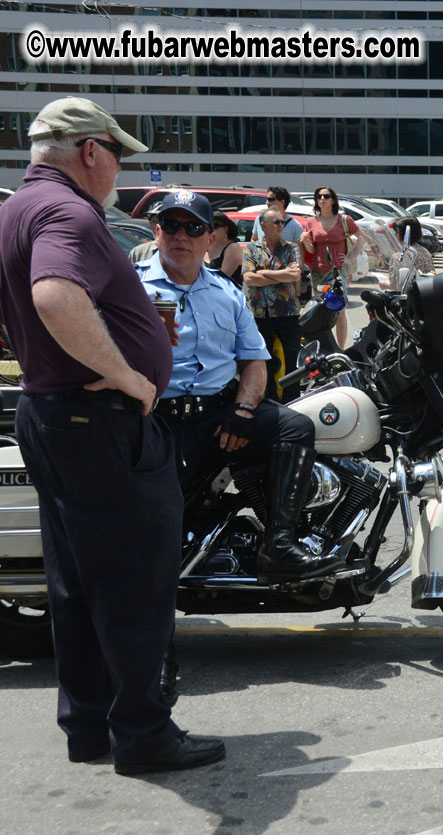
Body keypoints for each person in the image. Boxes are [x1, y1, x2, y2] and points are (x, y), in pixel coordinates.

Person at [0, 97, 223, 774]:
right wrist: (126, 372)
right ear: (91, 151)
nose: (120, 171)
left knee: (77, 583)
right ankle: (143, 733)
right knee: (133, 582)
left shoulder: (14, 208)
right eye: (117, 155)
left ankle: (90, 727)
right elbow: (54, 295)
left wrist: (67, 352)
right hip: (97, 424)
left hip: (51, 413)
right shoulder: (68, 211)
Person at [139, 190, 345, 585]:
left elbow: (254, 360)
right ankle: (155, 640)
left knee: (295, 425)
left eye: (194, 227)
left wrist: (244, 409)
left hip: (219, 416)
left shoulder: (228, 293)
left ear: (210, 240)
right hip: (158, 424)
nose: (181, 236)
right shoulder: (130, 288)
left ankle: (279, 543)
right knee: (157, 531)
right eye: (171, 225)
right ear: (156, 230)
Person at [242, 207, 304, 402]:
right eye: (276, 222)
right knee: (264, 361)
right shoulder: (251, 249)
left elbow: (294, 275)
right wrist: (281, 275)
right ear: (263, 226)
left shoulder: (291, 248)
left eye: (282, 222)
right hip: (261, 315)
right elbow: (249, 279)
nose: (280, 226)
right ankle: (267, 401)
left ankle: (291, 400)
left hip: (288, 313)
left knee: (292, 358)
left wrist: (263, 274)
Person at [299, 186, 362, 349]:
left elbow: (363, 237)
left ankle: (342, 349)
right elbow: (312, 249)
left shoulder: (344, 220)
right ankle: (324, 347)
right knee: (320, 309)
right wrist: (306, 241)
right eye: (318, 196)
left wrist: (350, 257)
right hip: (319, 272)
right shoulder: (312, 222)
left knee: (339, 311)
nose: (322, 199)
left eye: (326, 196)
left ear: (333, 200)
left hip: (338, 273)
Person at [386, 217, 436, 292]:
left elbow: (395, 286)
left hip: (409, 299)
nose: (394, 234)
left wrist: (383, 284)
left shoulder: (399, 256)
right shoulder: (425, 251)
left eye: (396, 232)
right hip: (427, 294)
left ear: (403, 234)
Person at [206, 211, 243, 287]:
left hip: (229, 296)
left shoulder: (233, 248)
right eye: (207, 226)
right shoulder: (206, 247)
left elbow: (222, 279)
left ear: (226, 229)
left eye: (215, 226)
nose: (210, 230)